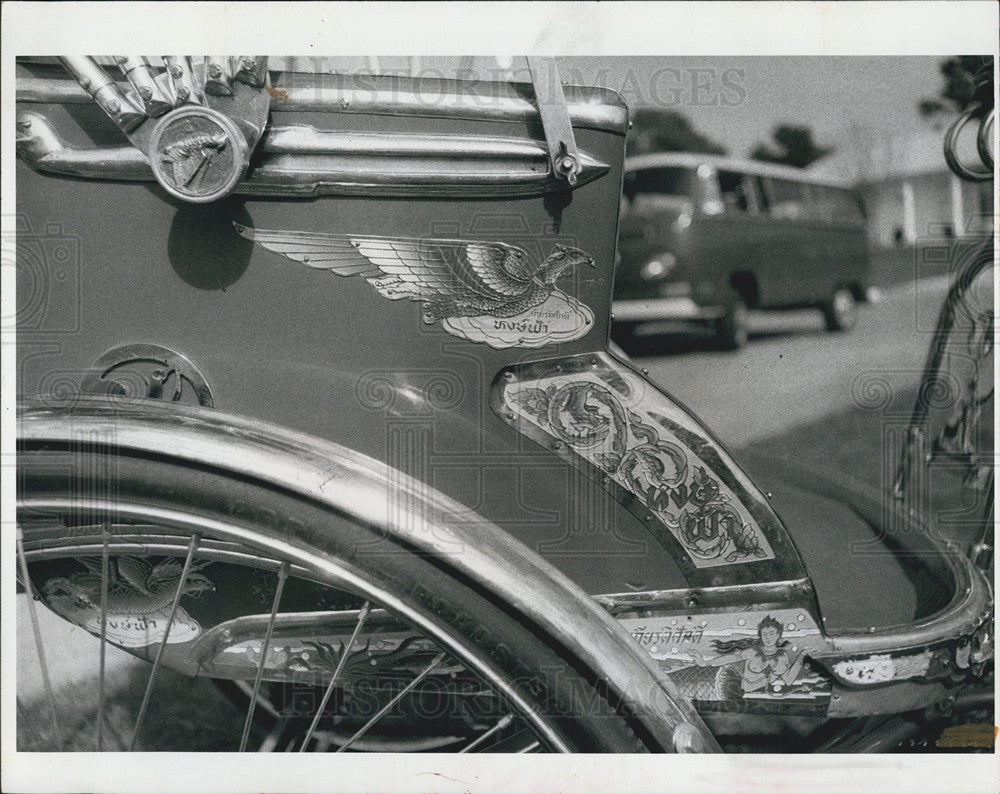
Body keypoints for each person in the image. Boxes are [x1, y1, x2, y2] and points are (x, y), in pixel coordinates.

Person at [690, 615, 804, 694]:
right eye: (764, 634)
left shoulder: (783, 657)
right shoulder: (754, 651)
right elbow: (731, 658)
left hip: (747, 695)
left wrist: (801, 657)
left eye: (771, 633)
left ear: (779, 634)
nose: (768, 637)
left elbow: (788, 680)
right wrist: (706, 663)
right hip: (730, 683)